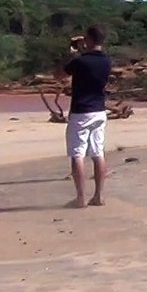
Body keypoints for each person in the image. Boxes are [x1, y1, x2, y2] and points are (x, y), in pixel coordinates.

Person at [57, 24, 112, 208]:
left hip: (81, 111)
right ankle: (99, 196)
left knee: (77, 154)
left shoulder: (80, 61)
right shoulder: (107, 61)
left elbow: (59, 75)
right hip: (99, 110)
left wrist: (71, 53)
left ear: (88, 39)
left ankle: (81, 197)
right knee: (98, 152)